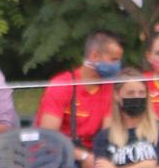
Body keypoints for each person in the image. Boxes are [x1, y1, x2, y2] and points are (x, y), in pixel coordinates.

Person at [37, 31, 123, 160]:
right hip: (56, 155)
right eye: (113, 60)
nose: (117, 66)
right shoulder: (62, 85)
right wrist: (83, 157)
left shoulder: (110, 88)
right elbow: (48, 138)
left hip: (93, 155)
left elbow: (107, 134)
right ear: (94, 56)